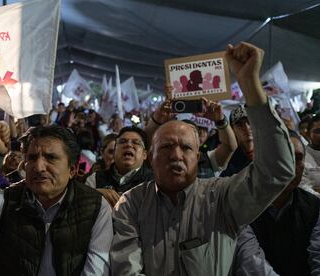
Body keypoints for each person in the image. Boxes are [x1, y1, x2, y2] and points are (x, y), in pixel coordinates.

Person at [110, 42, 295, 275]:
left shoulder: (222, 199)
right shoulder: (131, 205)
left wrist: (251, 86)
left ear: (198, 157)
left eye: (186, 148)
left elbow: (276, 172)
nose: (176, 155)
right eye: (166, 147)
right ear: (150, 158)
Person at [0, 124, 113, 275]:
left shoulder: (95, 206)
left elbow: (95, 271)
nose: (39, 167)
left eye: (51, 158)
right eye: (32, 158)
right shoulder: (6, 201)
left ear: (72, 169)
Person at [247, 131, 320, 276]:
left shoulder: (315, 207)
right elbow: (250, 263)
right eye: (284, 156)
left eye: (298, 158)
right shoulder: (243, 204)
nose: (291, 165)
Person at [85, 126, 152, 207]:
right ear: (115, 151)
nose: (128, 145)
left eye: (136, 142)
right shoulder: (95, 178)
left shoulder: (154, 182)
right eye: (123, 141)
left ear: (144, 154)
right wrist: (95, 194)